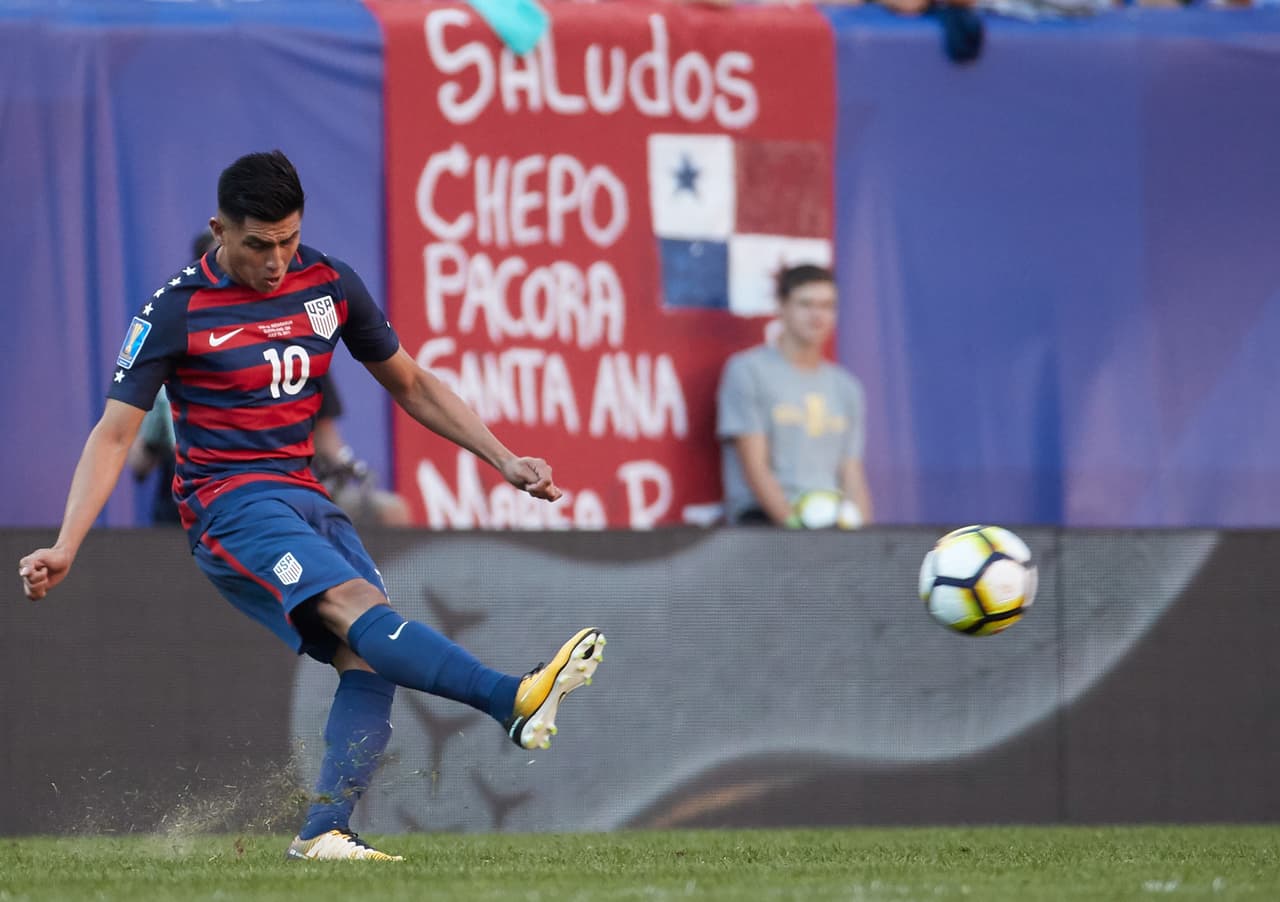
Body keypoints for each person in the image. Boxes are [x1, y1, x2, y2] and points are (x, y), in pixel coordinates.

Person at [18, 150, 606, 861]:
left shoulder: (328, 285)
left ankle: (324, 831)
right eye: (258, 244)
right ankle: (509, 699)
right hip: (227, 504)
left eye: (288, 240)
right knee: (360, 608)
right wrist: (67, 543)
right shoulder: (175, 311)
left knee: (370, 654)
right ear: (220, 230)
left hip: (303, 495)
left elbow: (412, 384)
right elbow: (113, 435)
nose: (275, 260)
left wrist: (503, 457)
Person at [716, 263, 875, 528]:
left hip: (831, 526)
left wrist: (868, 541)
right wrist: (795, 530)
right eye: (806, 304)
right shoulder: (747, 371)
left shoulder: (848, 387)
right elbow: (755, 468)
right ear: (781, 306)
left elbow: (852, 473)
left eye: (827, 306)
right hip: (763, 526)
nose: (817, 316)